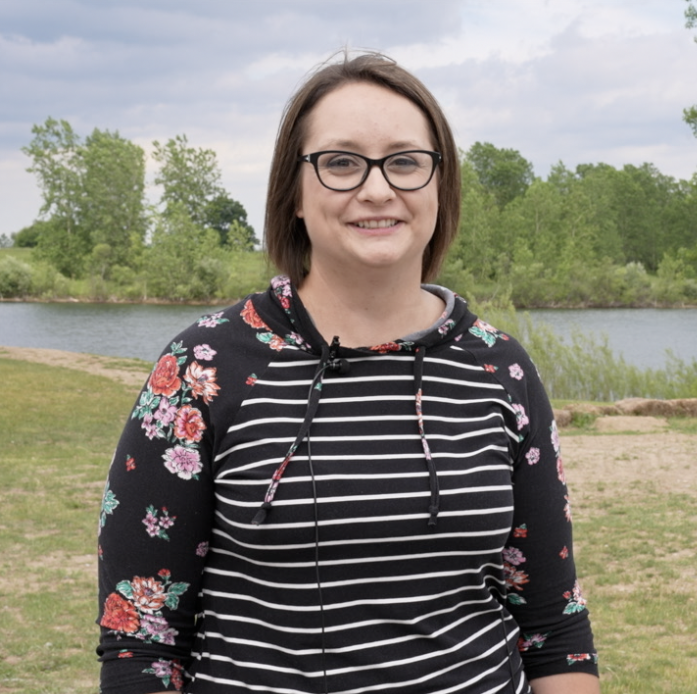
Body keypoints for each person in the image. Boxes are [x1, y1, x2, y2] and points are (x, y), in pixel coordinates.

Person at [96, 51, 598, 694]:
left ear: (440, 187)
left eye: (406, 162)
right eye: (340, 163)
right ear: (294, 194)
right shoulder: (203, 366)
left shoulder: (499, 368)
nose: (377, 189)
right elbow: (143, 640)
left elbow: (553, 626)